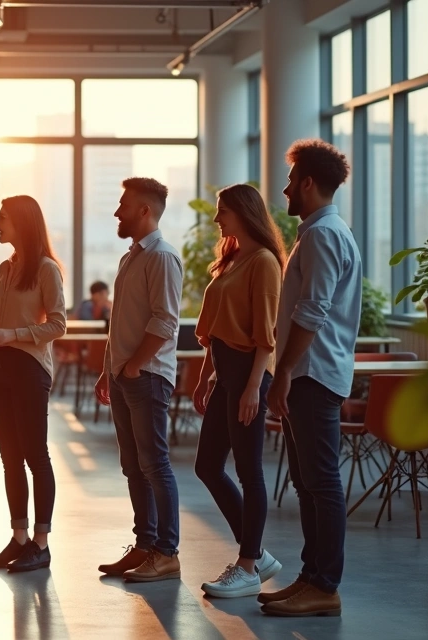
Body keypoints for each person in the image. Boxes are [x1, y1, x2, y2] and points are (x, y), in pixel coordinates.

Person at [262, 139, 361, 617]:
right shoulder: (322, 231)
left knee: (320, 482)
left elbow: (313, 311)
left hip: (313, 374)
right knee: (307, 481)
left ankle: (324, 585)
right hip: (312, 373)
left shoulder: (323, 235)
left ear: (306, 183)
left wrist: (282, 374)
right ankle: (311, 577)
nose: (284, 191)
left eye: (290, 181)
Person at [191, 184, 287, 598]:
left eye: (223, 211)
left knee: (249, 471)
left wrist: (252, 389)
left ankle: (248, 566)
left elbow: (266, 337)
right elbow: (215, 332)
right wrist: (205, 376)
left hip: (250, 376)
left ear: (245, 213)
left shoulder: (263, 262)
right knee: (207, 466)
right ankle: (257, 555)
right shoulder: (231, 261)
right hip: (225, 375)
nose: (217, 219)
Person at [94, 177, 185, 583]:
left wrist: (132, 366)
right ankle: (145, 546)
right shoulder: (132, 256)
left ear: (144, 210)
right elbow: (122, 323)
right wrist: (108, 367)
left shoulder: (162, 257)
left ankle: (166, 552)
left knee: (155, 466)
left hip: (146, 376)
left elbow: (165, 321)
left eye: (123, 205)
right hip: (123, 374)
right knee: (133, 467)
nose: (117, 211)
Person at [0, 195, 67, 573]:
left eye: (2, 219)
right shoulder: (5, 268)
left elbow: (58, 325)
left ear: (22, 223)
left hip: (30, 369)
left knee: (35, 455)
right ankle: (19, 539)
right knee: (9, 458)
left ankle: (41, 544)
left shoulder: (46, 269)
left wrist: (9, 334)